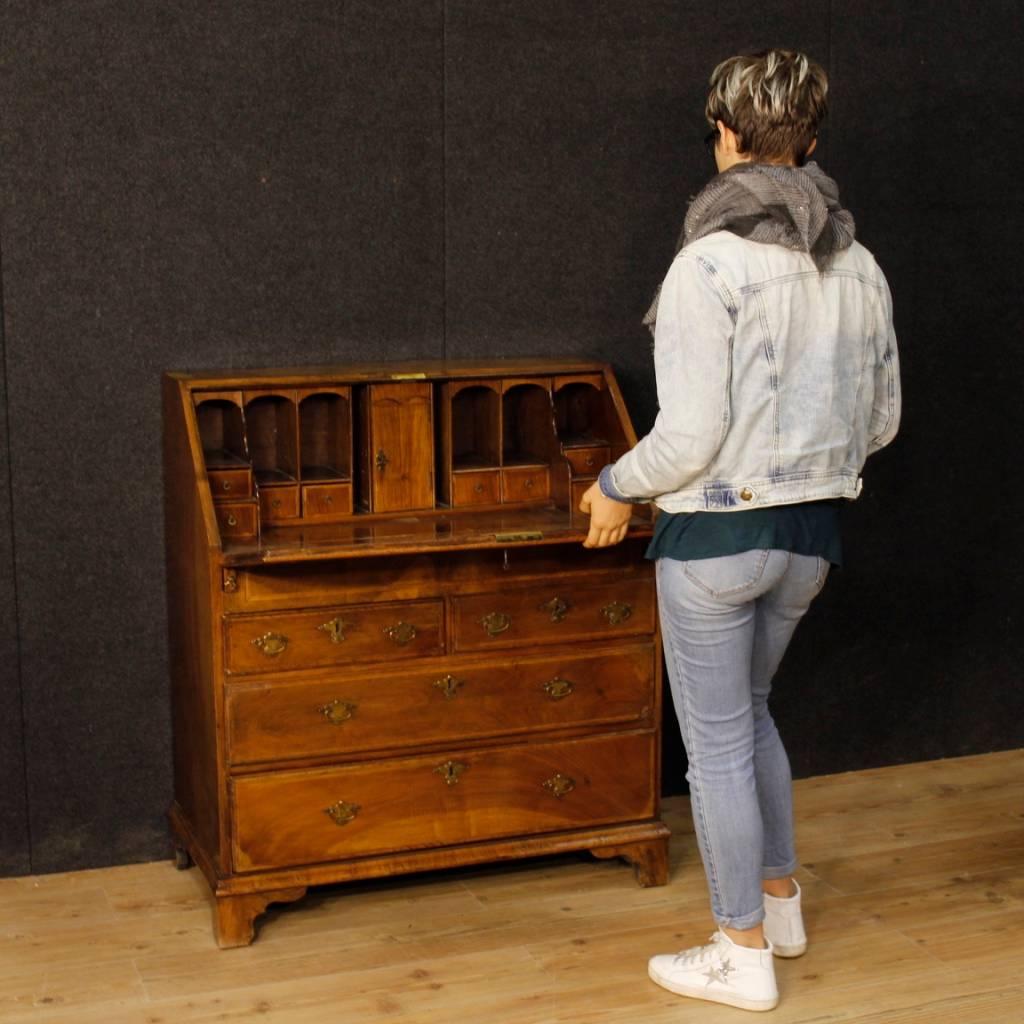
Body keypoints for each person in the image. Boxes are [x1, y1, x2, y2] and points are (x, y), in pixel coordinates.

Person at [579, 49, 901, 1013]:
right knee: (752, 717)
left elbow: (687, 439)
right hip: (812, 541)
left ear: (724, 134)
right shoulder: (859, 261)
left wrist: (612, 485)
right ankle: (781, 903)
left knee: (714, 744)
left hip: (717, 547)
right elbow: (880, 421)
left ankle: (740, 952)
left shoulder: (706, 264)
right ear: (810, 142)